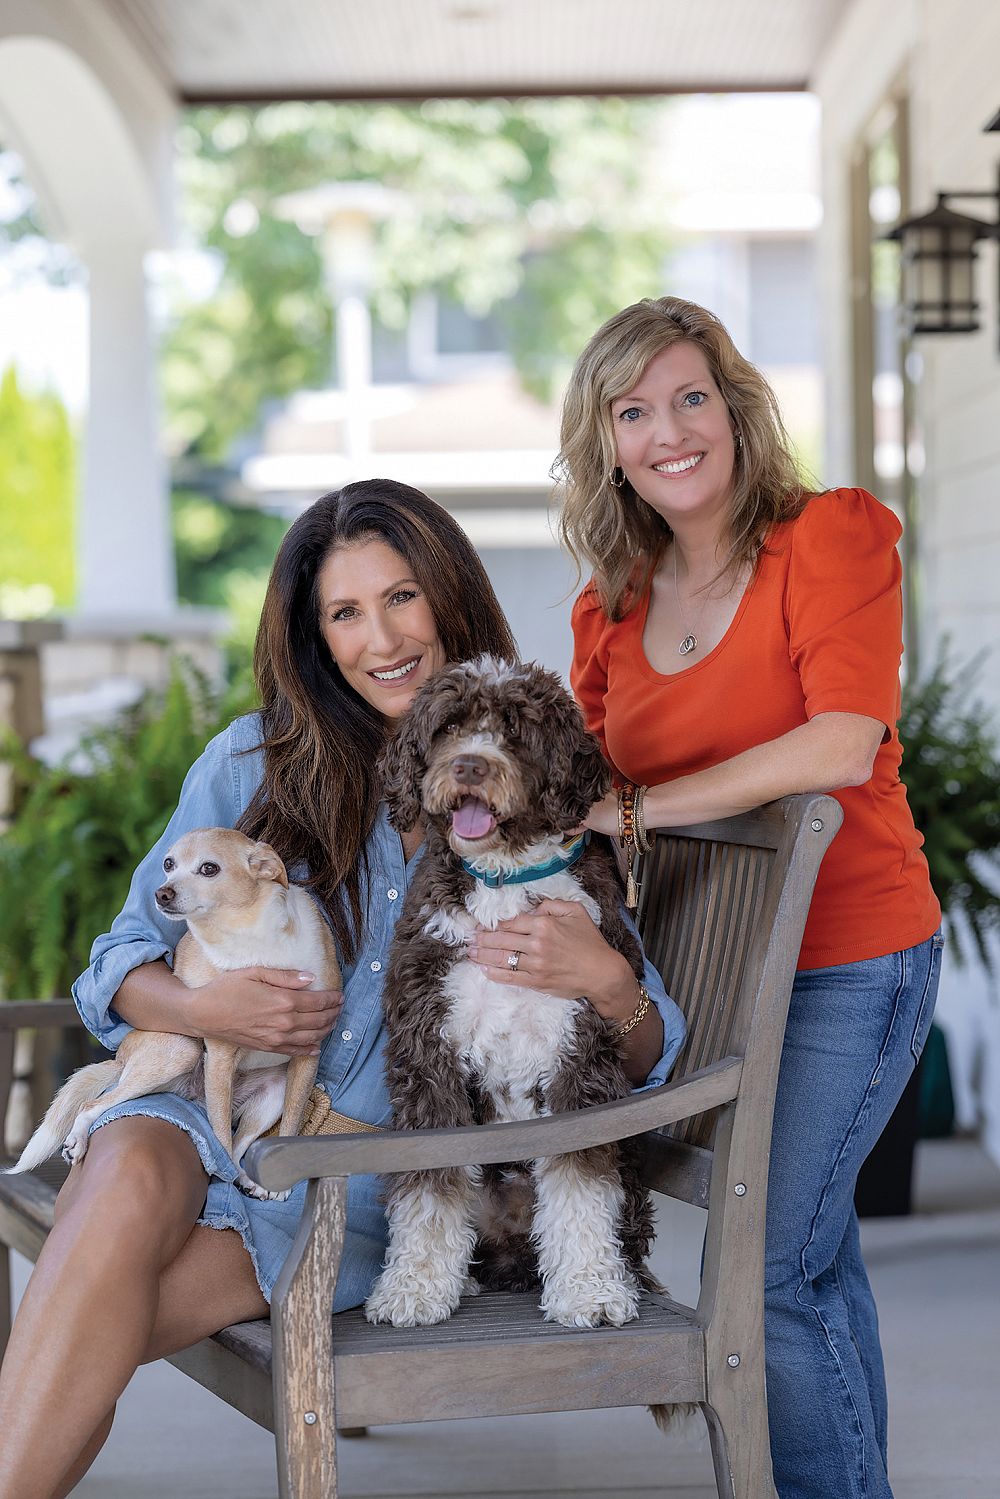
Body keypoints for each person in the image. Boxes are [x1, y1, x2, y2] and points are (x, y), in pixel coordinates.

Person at [0, 479, 685, 1499]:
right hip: (204, 1106)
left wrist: (606, 978)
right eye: (346, 612)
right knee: (128, 1165)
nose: (383, 638)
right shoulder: (255, 759)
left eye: (402, 597)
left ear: (449, 595)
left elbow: (648, 1048)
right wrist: (197, 1009)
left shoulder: (530, 779)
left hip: (344, 1189)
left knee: (93, 1306)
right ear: (317, 635)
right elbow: (119, 957)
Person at [557, 296, 942, 1499]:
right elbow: (581, 784)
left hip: (851, 956)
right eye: (634, 410)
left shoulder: (824, 538)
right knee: (811, 1259)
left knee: (766, 1263)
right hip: (709, 968)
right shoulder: (609, 603)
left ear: (734, 407)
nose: (669, 430)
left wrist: (639, 811)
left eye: (689, 397)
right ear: (605, 439)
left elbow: (840, 740)